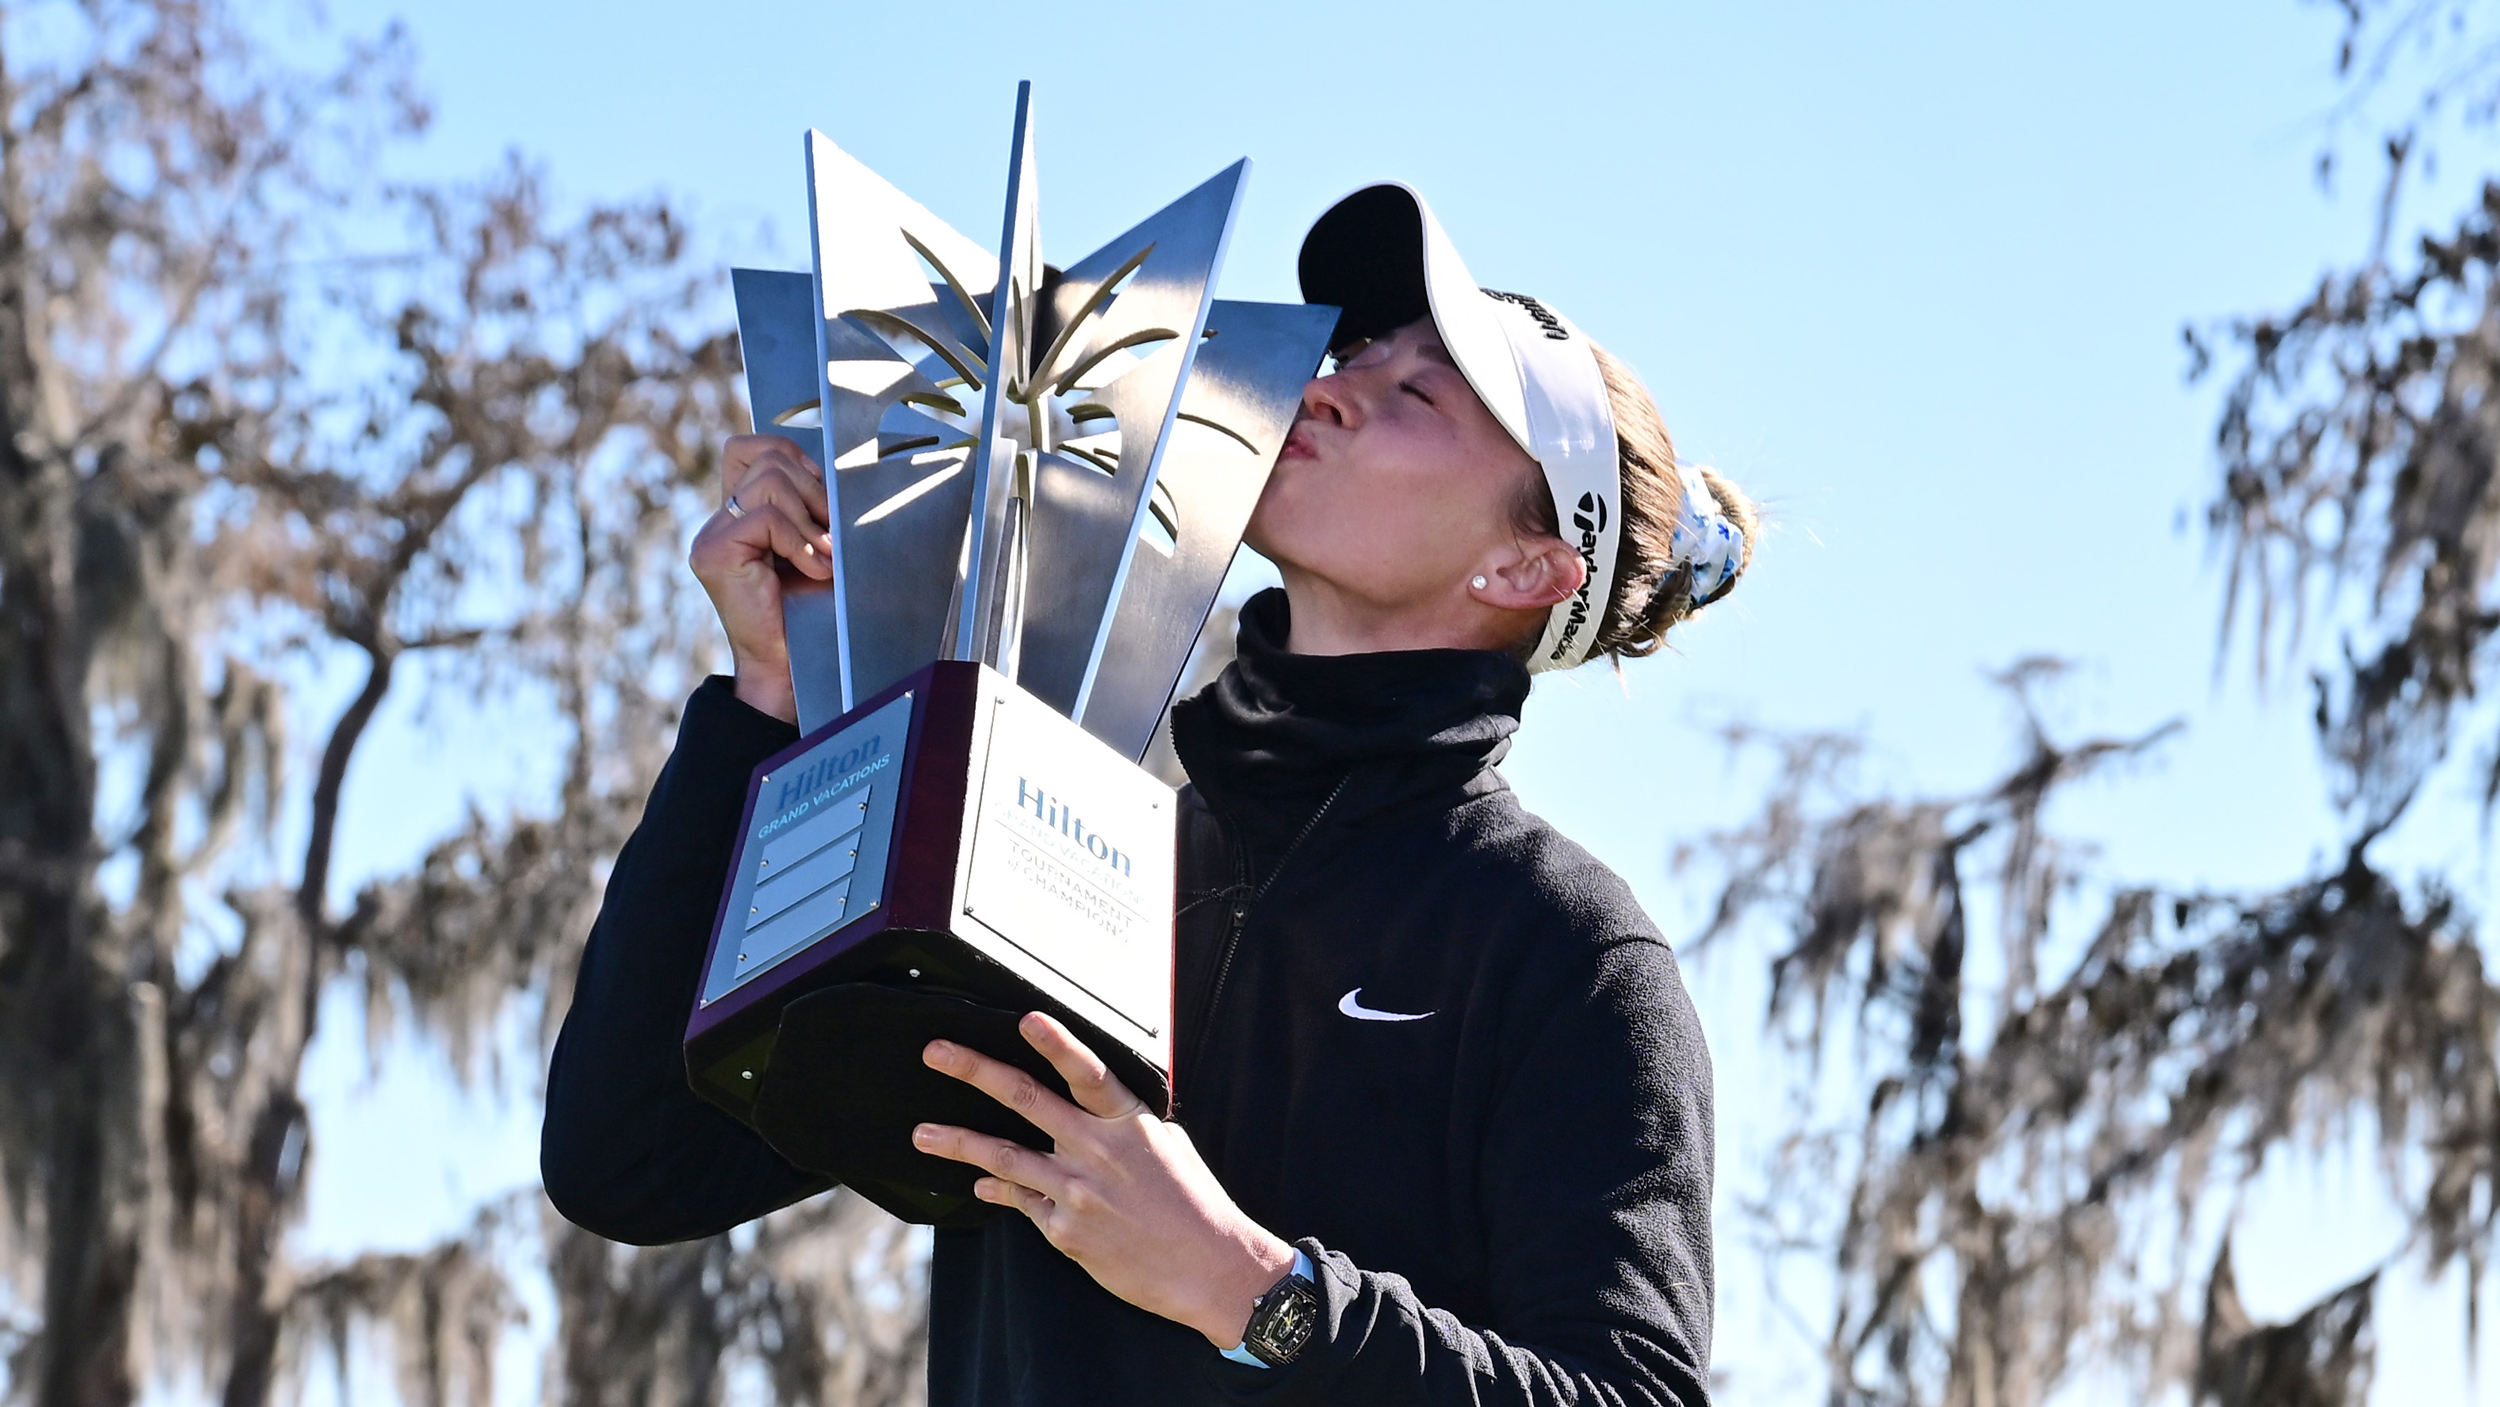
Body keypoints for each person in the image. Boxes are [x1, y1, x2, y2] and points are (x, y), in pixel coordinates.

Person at [542, 182, 1757, 1406]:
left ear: (1525, 567)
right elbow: (631, 1160)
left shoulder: (1563, 949)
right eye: (1354, 357)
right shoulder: (1059, 848)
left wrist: (1253, 1292)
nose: (1326, 387)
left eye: (1418, 395)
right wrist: (769, 701)